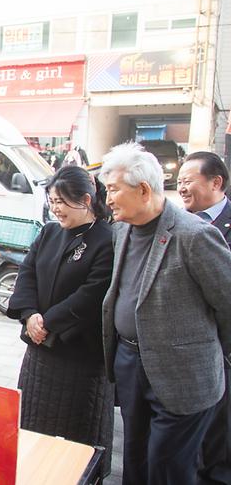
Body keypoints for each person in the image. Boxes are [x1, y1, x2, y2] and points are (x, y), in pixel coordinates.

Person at [100, 142, 231, 485]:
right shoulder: (122, 230)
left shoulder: (195, 236)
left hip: (182, 374)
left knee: (167, 466)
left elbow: (228, 303)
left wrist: (214, 354)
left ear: (143, 189)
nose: (108, 199)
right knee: (134, 457)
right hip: (130, 362)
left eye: (113, 189)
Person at [7, 166, 114, 477]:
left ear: (85, 200)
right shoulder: (49, 232)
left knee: (75, 441)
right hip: (39, 354)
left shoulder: (106, 240)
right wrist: (29, 315)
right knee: (32, 426)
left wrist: (48, 322)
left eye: (62, 202)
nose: (55, 209)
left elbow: (92, 294)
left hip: (79, 357)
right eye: (52, 201)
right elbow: (27, 273)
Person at [177, 151, 231, 484]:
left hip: (223, 348)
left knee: (220, 430)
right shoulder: (177, 222)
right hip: (186, 350)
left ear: (216, 182)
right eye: (179, 181)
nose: (181, 188)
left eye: (188, 181)